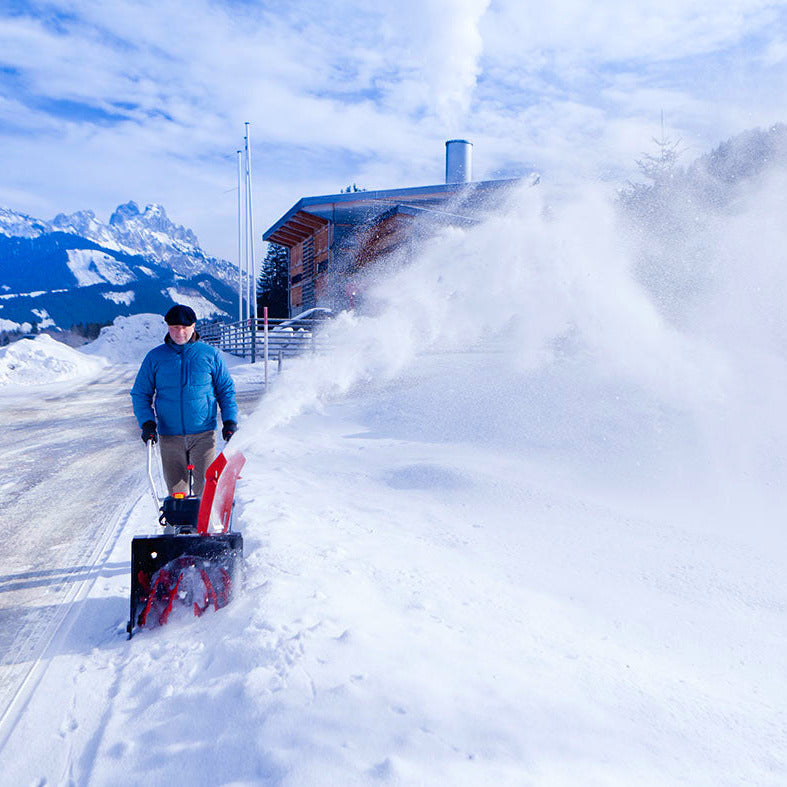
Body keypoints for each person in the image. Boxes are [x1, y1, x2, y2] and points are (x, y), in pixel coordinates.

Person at [131, 304, 238, 497]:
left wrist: (230, 421)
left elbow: (225, 390)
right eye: (174, 328)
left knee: (205, 490)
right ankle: (178, 527)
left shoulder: (209, 355)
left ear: (193, 326)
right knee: (176, 494)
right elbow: (140, 393)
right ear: (168, 327)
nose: (179, 332)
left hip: (203, 434)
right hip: (169, 436)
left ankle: (203, 526)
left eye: (184, 328)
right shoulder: (155, 357)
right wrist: (147, 423)